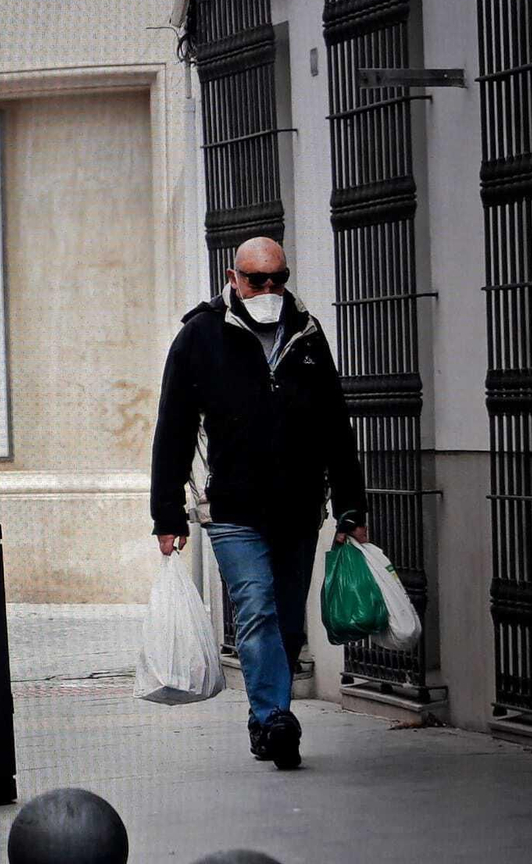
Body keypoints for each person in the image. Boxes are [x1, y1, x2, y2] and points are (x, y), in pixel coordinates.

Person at [149, 236, 368, 771]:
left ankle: (265, 719)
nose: (269, 288)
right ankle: (274, 717)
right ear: (233, 278)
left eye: (278, 279)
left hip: (298, 507)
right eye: (256, 279)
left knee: (288, 623)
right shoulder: (200, 335)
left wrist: (351, 506)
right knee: (257, 608)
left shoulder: (307, 333)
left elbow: (334, 425)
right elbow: (173, 428)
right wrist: (167, 514)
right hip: (232, 509)